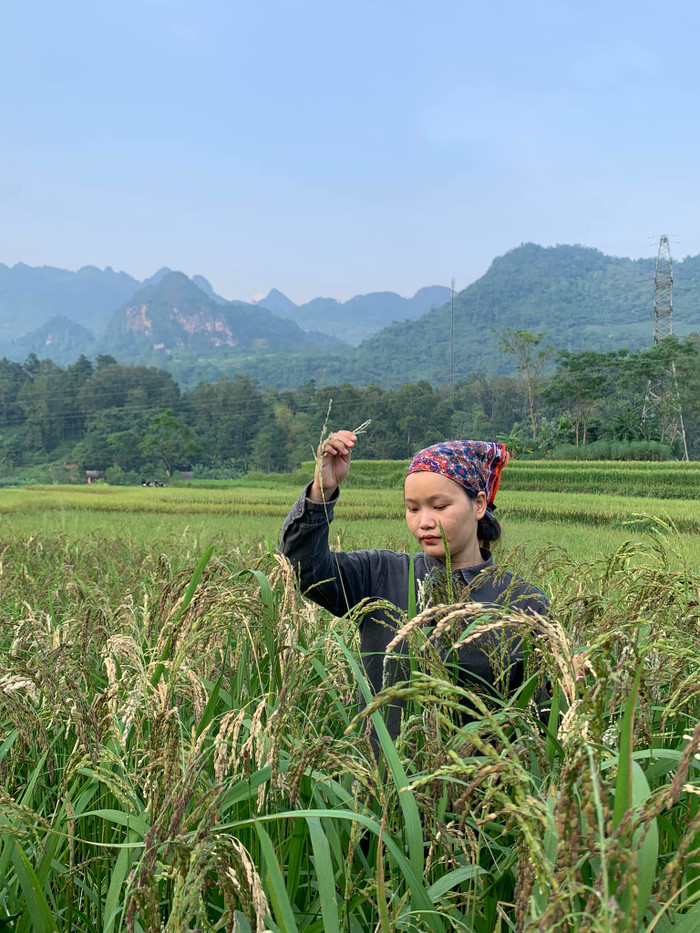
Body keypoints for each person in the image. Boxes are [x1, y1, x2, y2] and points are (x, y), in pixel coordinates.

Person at [280, 430, 549, 740]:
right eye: (413, 508)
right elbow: (306, 568)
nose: (424, 522)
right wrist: (321, 493)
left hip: (480, 782)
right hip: (384, 781)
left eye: (439, 506)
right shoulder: (381, 574)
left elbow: (542, 717)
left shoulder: (522, 601)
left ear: (478, 504)